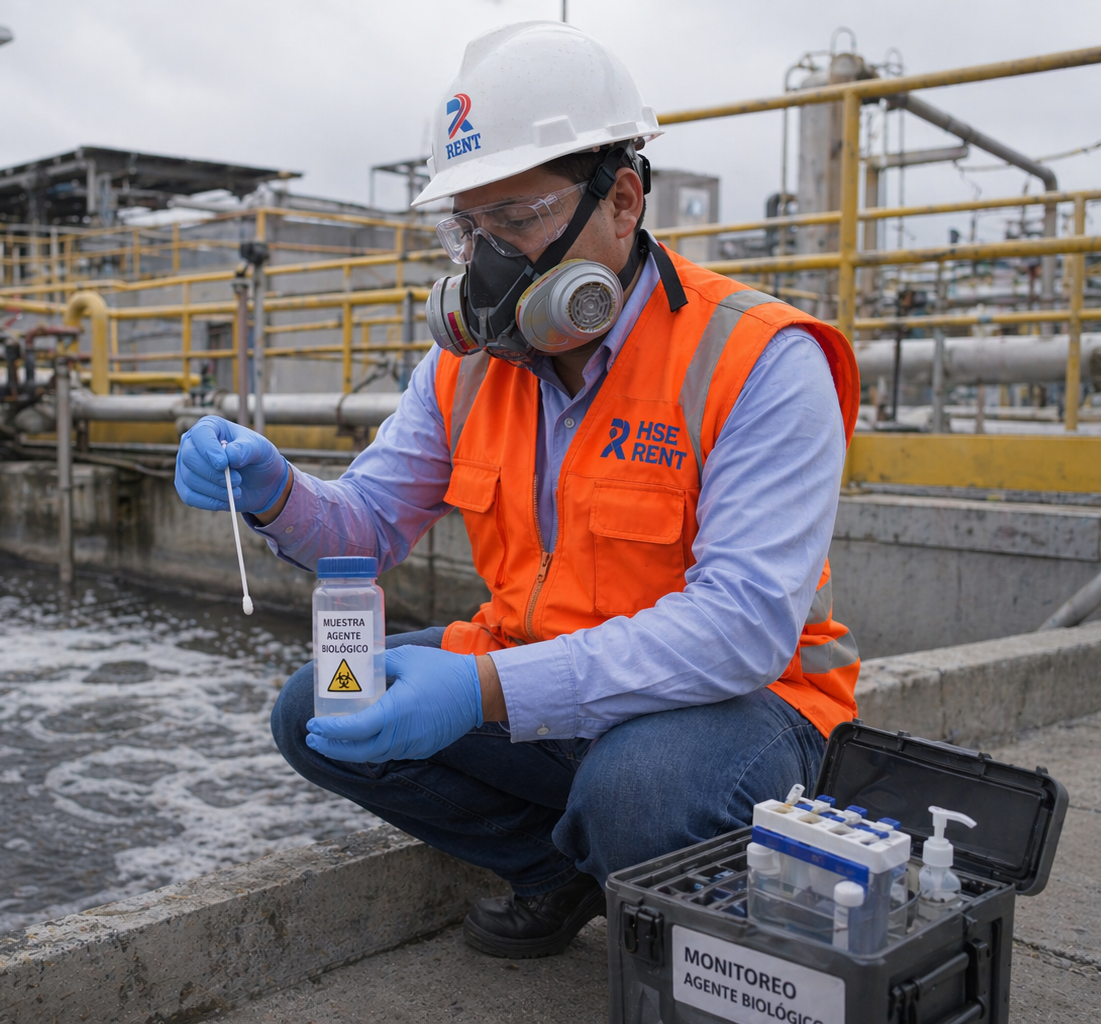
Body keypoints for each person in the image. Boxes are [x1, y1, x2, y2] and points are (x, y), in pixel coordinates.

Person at [174, 21, 860, 960]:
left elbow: (739, 628)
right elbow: (366, 528)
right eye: (470, 227)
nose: (488, 261)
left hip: (735, 707)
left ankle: (654, 878)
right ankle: (554, 866)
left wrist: (484, 690)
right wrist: (271, 488)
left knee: (640, 792)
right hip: (538, 678)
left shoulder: (759, 360)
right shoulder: (463, 367)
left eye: (519, 218)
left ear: (621, 200)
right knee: (315, 710)